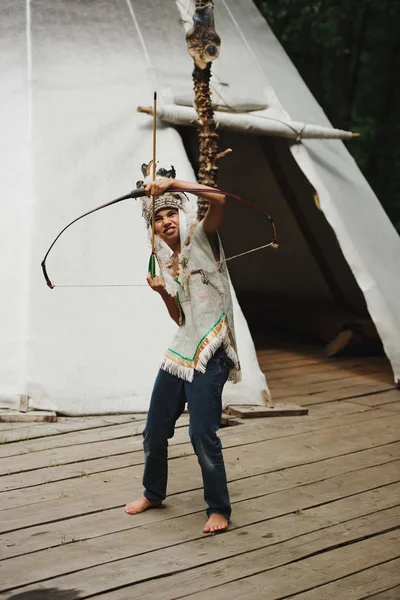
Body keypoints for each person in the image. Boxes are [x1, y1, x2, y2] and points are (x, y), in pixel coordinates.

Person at [125, 163, 241, 534]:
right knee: (154, 428)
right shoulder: (162, 256)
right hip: (182, 348)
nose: (166, 222)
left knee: (201, 433)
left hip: (213, 346)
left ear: (181, 212)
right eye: (158, 218)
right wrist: (161, 291)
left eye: (170, 212)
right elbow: (179, 317)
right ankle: (153, 492)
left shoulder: (202, 236)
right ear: (153, 226)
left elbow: (219, 199)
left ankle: (218, 509)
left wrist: (172, 183)